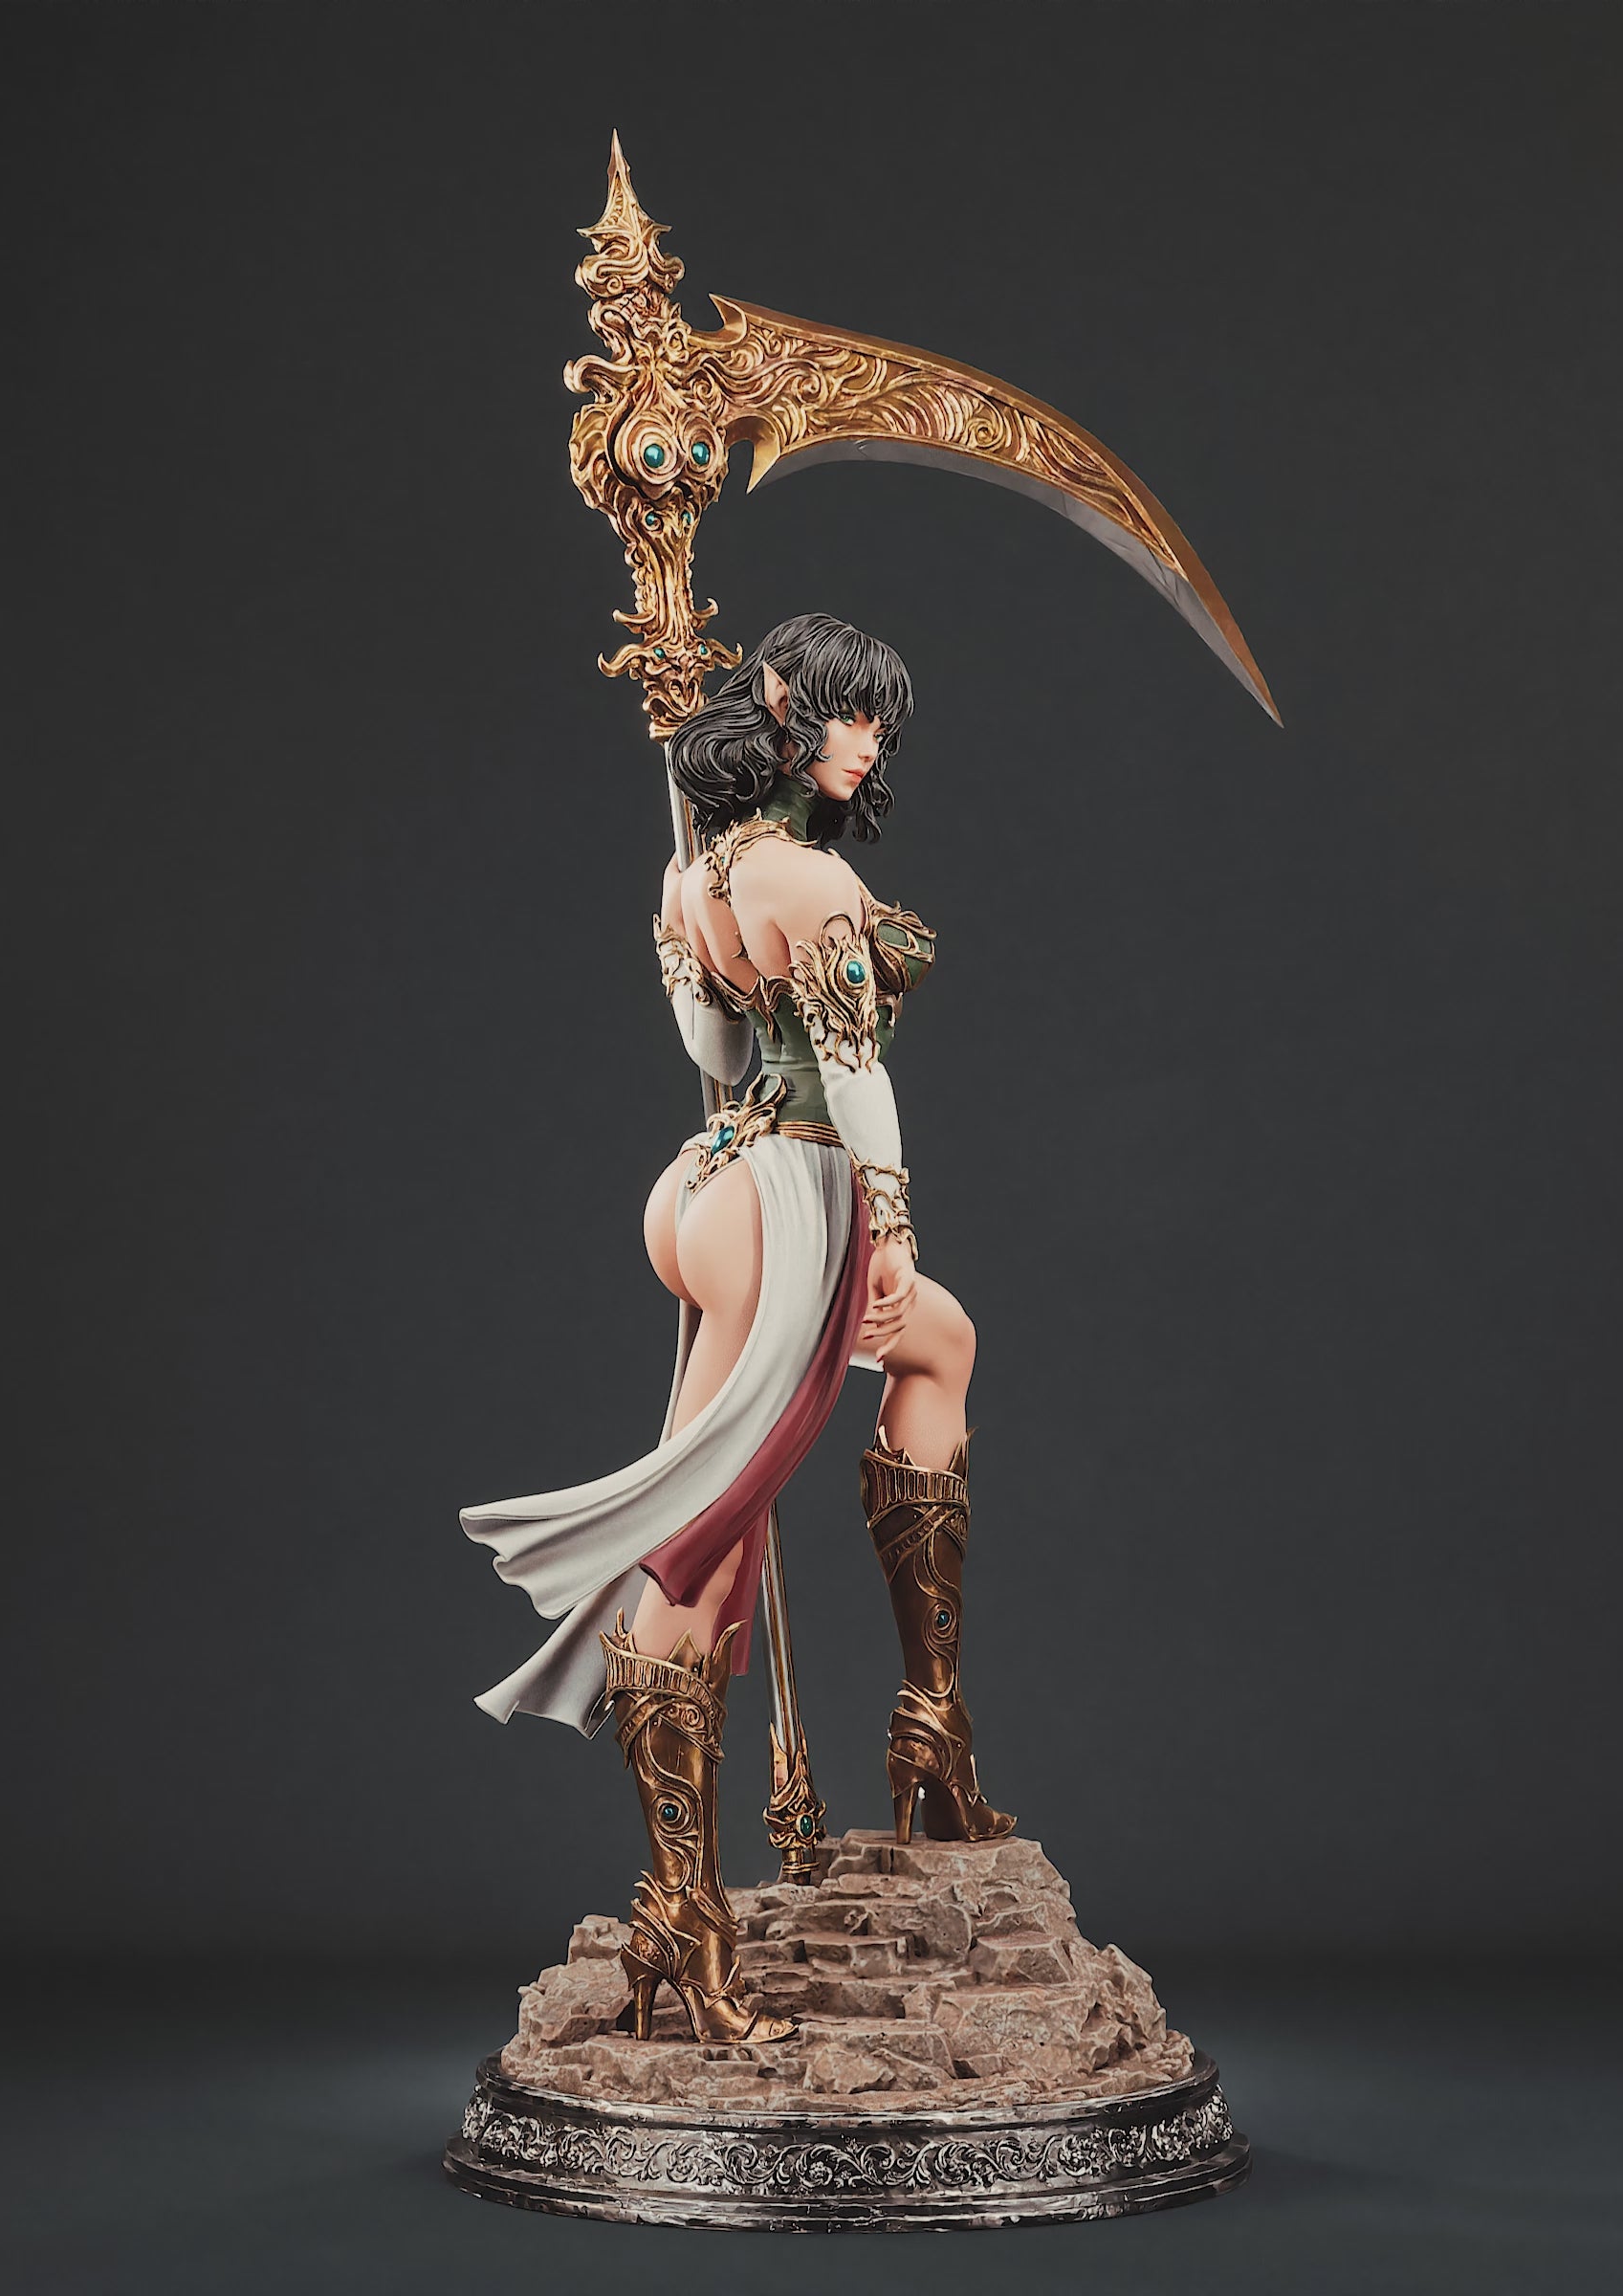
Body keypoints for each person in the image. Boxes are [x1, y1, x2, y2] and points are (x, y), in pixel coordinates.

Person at [462, 612, 1012, 2045]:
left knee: (941, 1348)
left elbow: (712, 1051)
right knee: (705, 1534)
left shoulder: (694, 871)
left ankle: (932, 1718)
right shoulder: (811, 880)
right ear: (788, 716)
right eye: (851, 713)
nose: (870, 740)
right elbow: (855, 1074)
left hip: (710, 1185)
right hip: (795, 1197)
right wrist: (891, 1222)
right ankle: (684, 1912)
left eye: (880, 719)